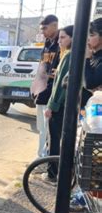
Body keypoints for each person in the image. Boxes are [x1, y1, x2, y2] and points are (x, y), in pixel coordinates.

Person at [43, 25, 73, 183]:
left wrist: (51, 106)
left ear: (72, 38)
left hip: (59, 106)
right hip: (65, 106)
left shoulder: (69, 56)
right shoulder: (69, 55)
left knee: (54, 140)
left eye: (63, 38)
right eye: (59, 38)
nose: (59, 41)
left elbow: (61, 85)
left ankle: (51, 174)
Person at [35, 14, 60, 158]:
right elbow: (42, 64)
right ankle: (41, 157)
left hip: (53, 92)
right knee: (41, 128)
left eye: (45, 28)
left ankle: (44, 159)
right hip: (42, 91)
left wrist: (52, 74)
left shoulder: (61, 44)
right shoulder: (47, 43)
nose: (42, 31)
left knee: (49, 130)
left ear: (55, 26)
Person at [82, 18, 102, 109]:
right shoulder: (91, 55)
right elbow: (66, 81)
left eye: (92, 35)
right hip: (86, 109)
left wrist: (86, 59)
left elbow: (89, 83)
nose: (88, 38)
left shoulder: (89, 57)